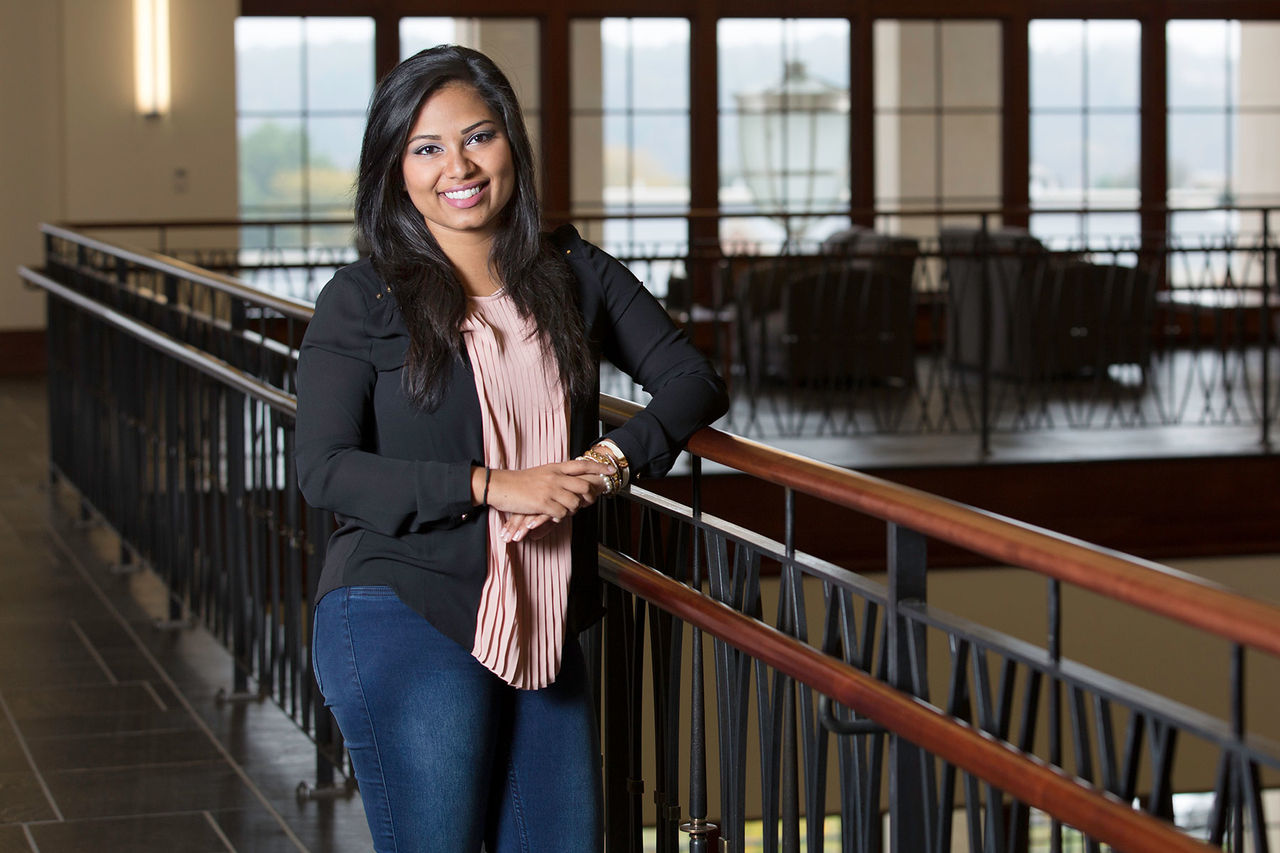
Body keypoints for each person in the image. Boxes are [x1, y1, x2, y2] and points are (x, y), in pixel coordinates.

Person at [294, 44, 728, 853]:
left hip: (542, 620)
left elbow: (690, 378)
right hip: (407, 606)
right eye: (426, 148)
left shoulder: (570, 270)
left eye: (477, 136)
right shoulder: (362, 299)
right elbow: (324, 467)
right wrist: (494, 484)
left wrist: (611, 461)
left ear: (511, 146)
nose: (456, 165)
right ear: (395, 169)